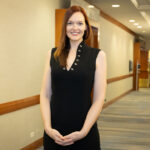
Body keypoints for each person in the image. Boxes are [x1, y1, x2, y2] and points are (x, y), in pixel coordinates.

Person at [40, 5, 107, 150]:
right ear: (64, 27)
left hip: (85, 131)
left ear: (86, 28)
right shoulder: (52, 54)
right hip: (54, 132)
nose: (74, 27)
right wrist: (48, 128)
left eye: (80, 23)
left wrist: (83, 132)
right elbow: (45, 95)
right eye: (70, 23)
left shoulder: (98, 55)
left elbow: (99, 99)